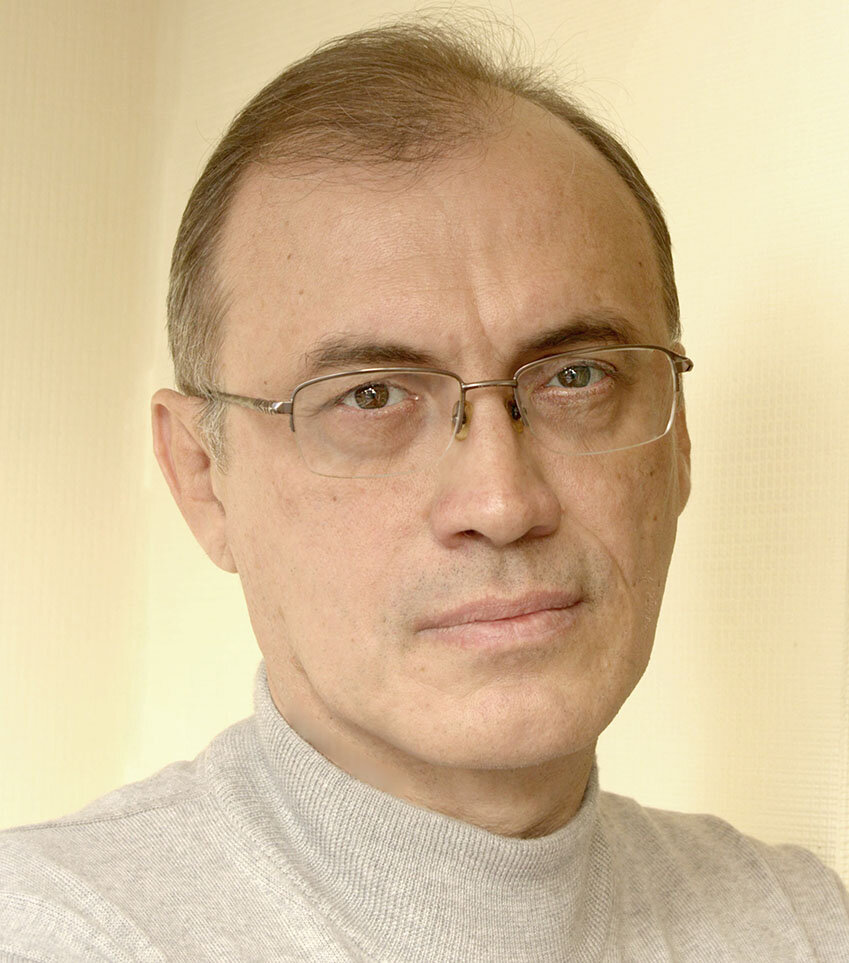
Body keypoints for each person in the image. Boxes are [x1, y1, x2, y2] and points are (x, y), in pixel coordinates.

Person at [1, 18, 847, 962]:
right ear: (202, 477)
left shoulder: (801, 923)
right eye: (369, 396)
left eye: (575, 377)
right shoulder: (51, 935)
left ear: (679, 439)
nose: (502, 502)